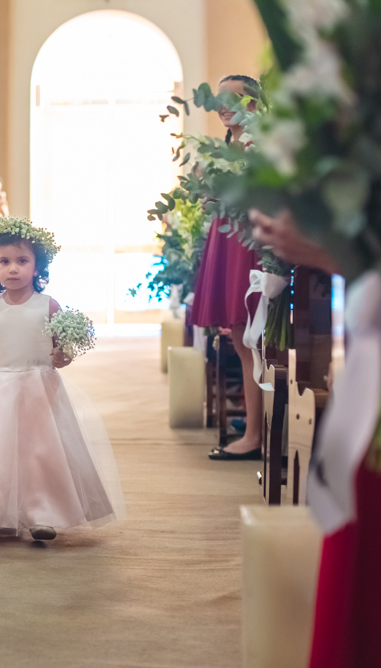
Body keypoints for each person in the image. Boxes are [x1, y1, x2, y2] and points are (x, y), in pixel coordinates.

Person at [0, 217, 124, 539]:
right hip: (1, 392)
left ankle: (40, 514)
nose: (13, 269)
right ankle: (3, 514)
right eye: (4, 261)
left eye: (22, 261)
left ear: (37, 267)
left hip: (40, 393)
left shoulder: (49, 306)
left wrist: (63, 357)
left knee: (40, 453)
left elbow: (62, 353)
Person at [193, 75, 264, 461]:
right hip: (231, 239)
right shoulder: (231, 144)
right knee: (242, 339)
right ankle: (256, 425)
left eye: (232, 98)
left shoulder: (257, 144)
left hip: (247, 245)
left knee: (249, 339)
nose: (222, 105)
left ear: (252, 105)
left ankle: (255, 435)